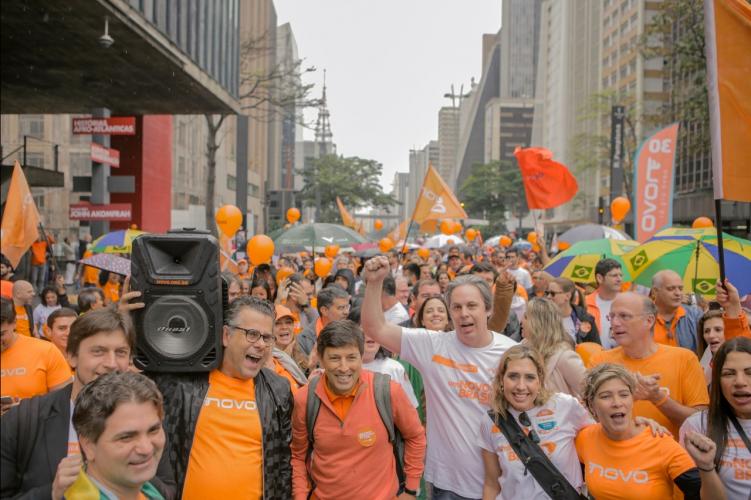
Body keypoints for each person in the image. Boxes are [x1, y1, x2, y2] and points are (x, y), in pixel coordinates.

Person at [361, 255, 517, 499]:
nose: (464, 314)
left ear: (487, 309)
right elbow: (375, 328)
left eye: (472, 306)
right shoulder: (432, 345)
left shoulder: (510, 353)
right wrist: (374, 283)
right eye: (456, 307)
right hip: (448, 484)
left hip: (503, 483)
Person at [1, 306, 176, 499]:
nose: (111, 363)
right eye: (98, 351)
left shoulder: (145, 418)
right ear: (72, 356)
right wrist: (52, 493)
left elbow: (168, 490)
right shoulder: (23, 419)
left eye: (120, 352)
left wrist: (128, 469)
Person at [153, 296, 293, 499]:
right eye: (252, 334)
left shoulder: (278, 390)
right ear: (226, 335)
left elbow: (283, 466)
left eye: (267, 337)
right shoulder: (182, 383)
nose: (261, 344)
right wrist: (127, 319)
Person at [290, 320, 426, 499]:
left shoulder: (387, 391)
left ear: (361, 357)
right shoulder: (306, 399)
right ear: (321, 359)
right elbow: (298, 456)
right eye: (335, 358)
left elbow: (415, 436)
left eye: (351, 358)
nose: (344, 367)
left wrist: (410, 489)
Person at [576, 363, 722, 500]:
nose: (617, 403)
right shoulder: (585, 438)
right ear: (591, 405)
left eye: (624, 394)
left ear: (632, 400)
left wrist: (707, 468)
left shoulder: (660, 441)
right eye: (605, 396)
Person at [480, 345, 593, 498]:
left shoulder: (565, 406)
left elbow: (601, 437)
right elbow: (491, 484)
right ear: (501, 379)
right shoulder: (492, 421)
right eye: (513, 376)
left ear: (539, 381)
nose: (521, 386)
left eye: (530, 377)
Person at [590, 292, 709, 436]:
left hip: (670, 449)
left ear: (649, 320)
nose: (615, 323)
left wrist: (658, 398)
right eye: (612, 316)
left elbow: (701, 423)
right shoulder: (600, 362)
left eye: (624, 316)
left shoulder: (684, 359)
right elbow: (588, 416)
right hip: (614, 449)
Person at [65, 372, 167, 499]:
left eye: (153, 430)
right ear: (88, 445)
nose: (146, 449)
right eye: (126, 437)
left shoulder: (146, 491)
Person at [680, 337, 751, 500]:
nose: (740, 382)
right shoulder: (697, 427)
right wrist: (707, 467)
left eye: (750, 372)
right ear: (717, 381)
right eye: (728, 373)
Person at [0, 298, 72, 404]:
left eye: (1, 334)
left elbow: (65, 402)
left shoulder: (46, 351)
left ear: (15, 322)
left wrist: (25, 409)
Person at [522, 298, 586, 398]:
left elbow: (590, 392)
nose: (521, 321)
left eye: (526, 317)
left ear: (539, 322)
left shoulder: (565, 357)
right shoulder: (521, 348)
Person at [651, 270, 703, 351]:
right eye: (671, 289)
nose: (678, 293)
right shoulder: (642, 317)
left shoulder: (695, 315)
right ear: (655, 291)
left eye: (680, 288)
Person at [297, 285, 351, 356]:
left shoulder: (353, 332)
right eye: (341, 308)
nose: (346, 312)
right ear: (324, 310)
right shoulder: (305, 339)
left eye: (347, 307)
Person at [546, 277, 600, 344]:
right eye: (547, 293)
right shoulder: (542, 317)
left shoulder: (585, 319)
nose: (548, 297)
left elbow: (595, 346)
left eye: (552, 293)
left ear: (567, 296)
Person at [585, 258, 623, 349]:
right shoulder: (585, 304)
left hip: (623, 356)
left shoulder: (629, 303)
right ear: (599, 278)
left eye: (621, 275)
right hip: (594, 355)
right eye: (614, 275)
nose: (619, 279)